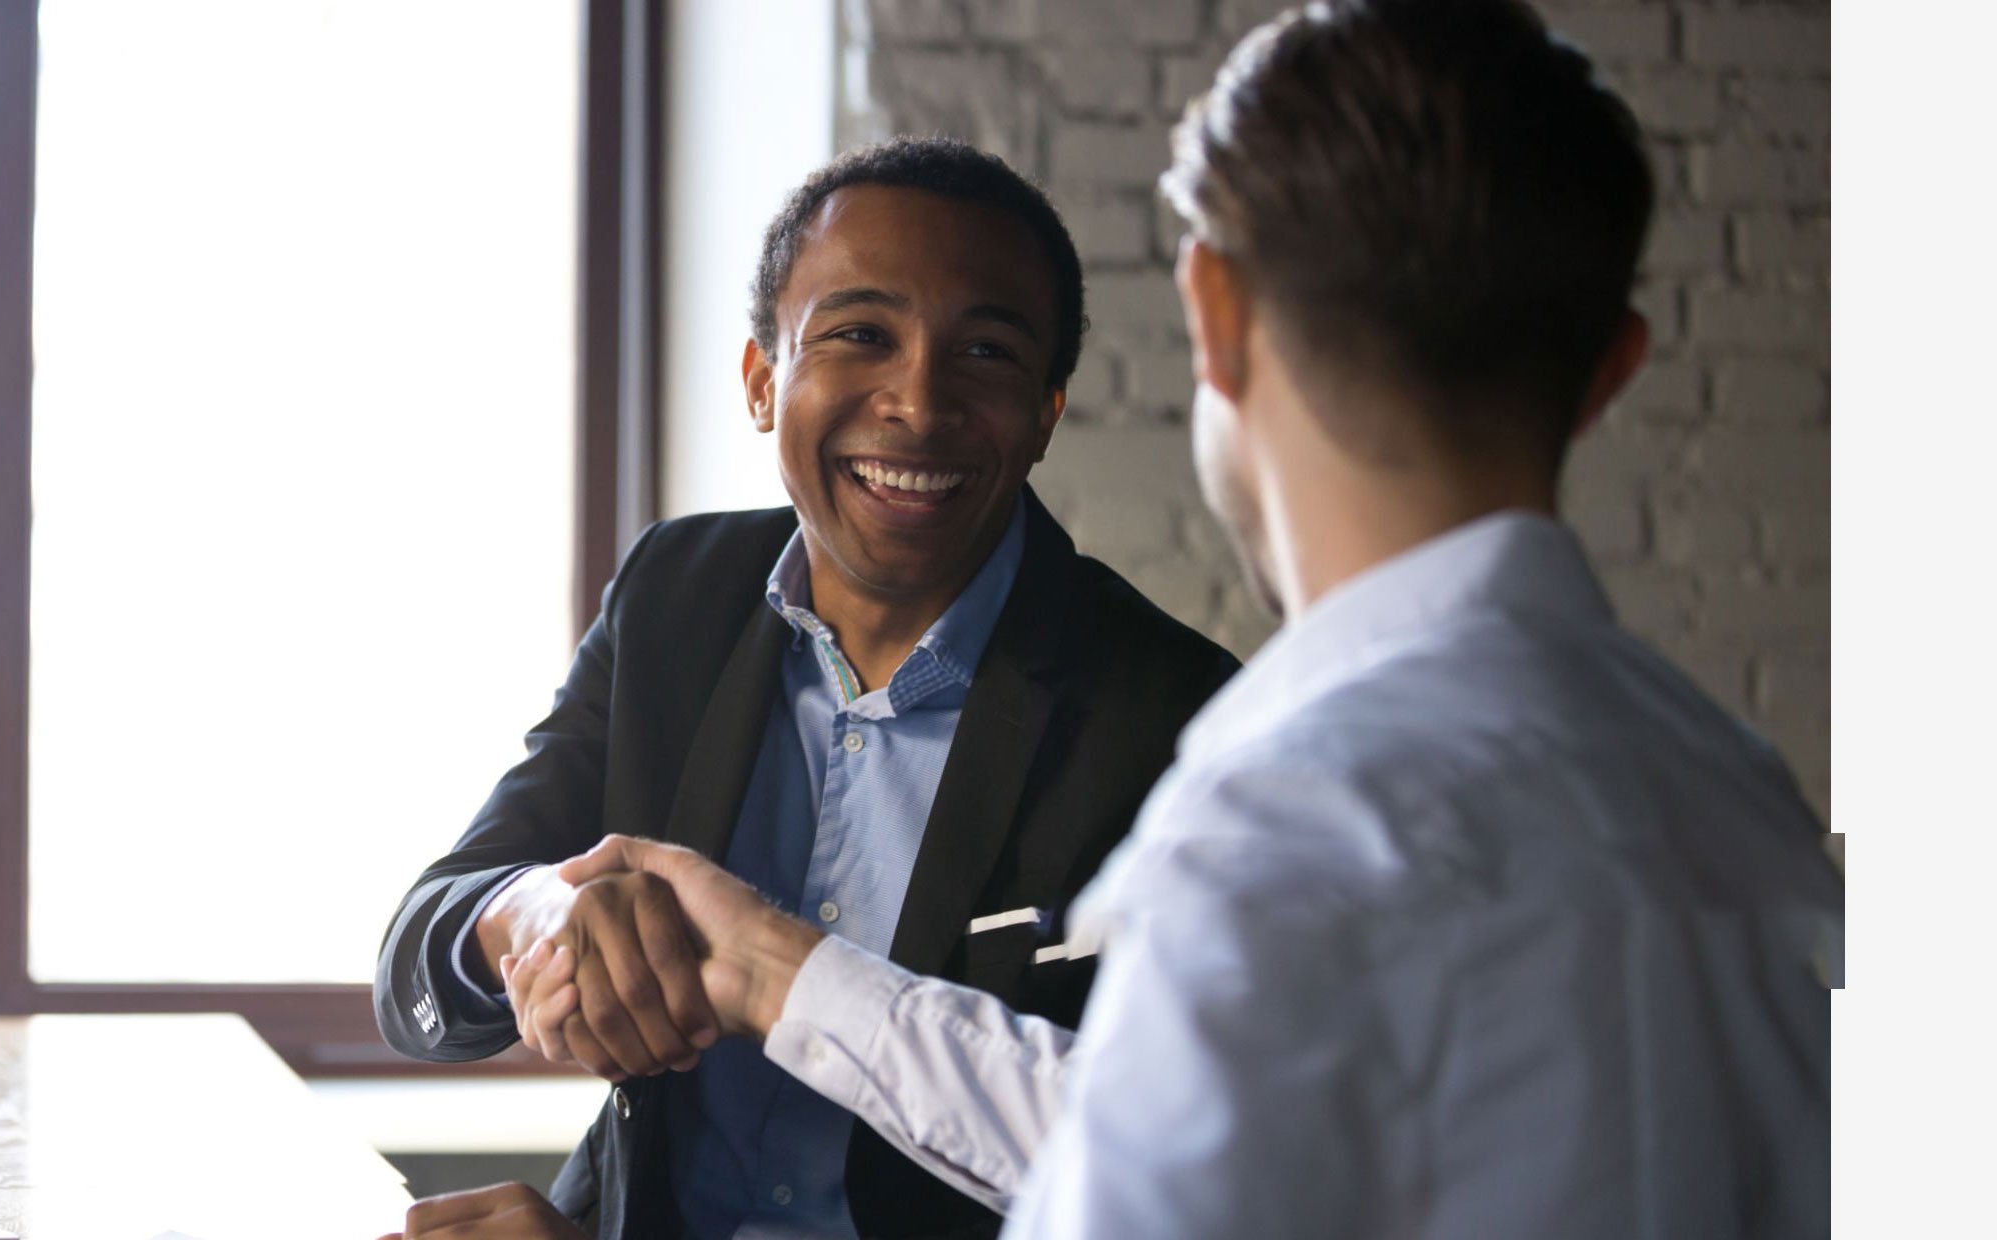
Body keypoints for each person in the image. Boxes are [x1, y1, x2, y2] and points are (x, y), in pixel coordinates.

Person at [455, 1, 1842, 1237]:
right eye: (858, 335)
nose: (920, 404)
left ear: (1213, 316)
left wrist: (769, 972)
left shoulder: (1279, 812)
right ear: (1615, 372)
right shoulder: (1747, 804)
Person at [372, 135, 1243, 1239]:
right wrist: (534, 911)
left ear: (1046, 412)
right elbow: (422, 949)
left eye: (984, 352)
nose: (918, 404)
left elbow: (1189, 1168)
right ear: (759, 380)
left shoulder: (1183, 721)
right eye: (860, 335)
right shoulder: (675, 597)